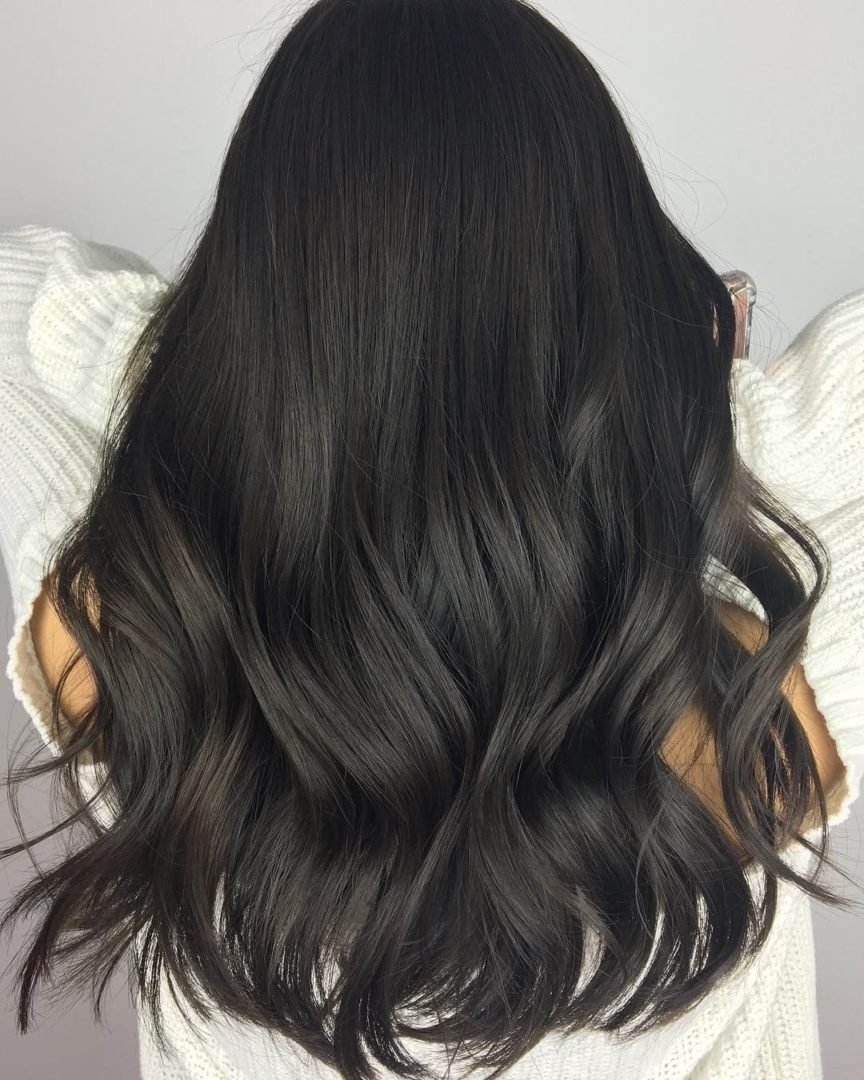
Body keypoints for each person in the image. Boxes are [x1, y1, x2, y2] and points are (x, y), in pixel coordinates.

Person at [0, 1, 861, 1077]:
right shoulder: (764, 698)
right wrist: (698, 385)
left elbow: (24, 308)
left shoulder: (132, 642)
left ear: (247, 323)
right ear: (614, 305)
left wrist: (235, 355)